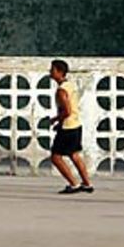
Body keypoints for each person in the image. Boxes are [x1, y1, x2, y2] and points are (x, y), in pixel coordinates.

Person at [48, 59, 93, 194]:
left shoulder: (61, 91)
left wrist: (55, 120)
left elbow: (66, 111)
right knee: (74, 155)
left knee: (55, 157)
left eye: (52, 70)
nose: (50, 72)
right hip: (75, 125)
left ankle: (73, 184)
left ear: (59, 72)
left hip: (68, 127)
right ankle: (87, 184)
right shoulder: (70, 85)